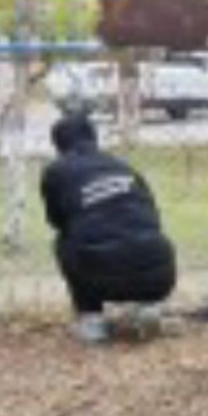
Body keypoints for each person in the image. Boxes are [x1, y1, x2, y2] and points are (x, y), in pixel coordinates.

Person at [40, 111, 176, 343]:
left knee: (64, 242)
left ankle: (91, 319)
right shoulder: (123, 166)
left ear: (58, 145)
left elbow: (57, 221)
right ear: (94, 138)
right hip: (160, 275)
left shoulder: (55, 172)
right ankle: (148, 308)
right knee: (139, 234)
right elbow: (153, 216)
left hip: (99, 277)